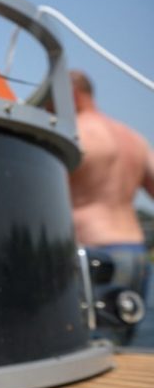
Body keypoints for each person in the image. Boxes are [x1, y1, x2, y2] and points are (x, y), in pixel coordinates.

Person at [68, 70, 154, 340]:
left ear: (71, 94)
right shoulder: (134, 139)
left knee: (90, 346)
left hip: (95, 255)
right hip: (136, 251)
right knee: (125, 338)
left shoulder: (76, 134)